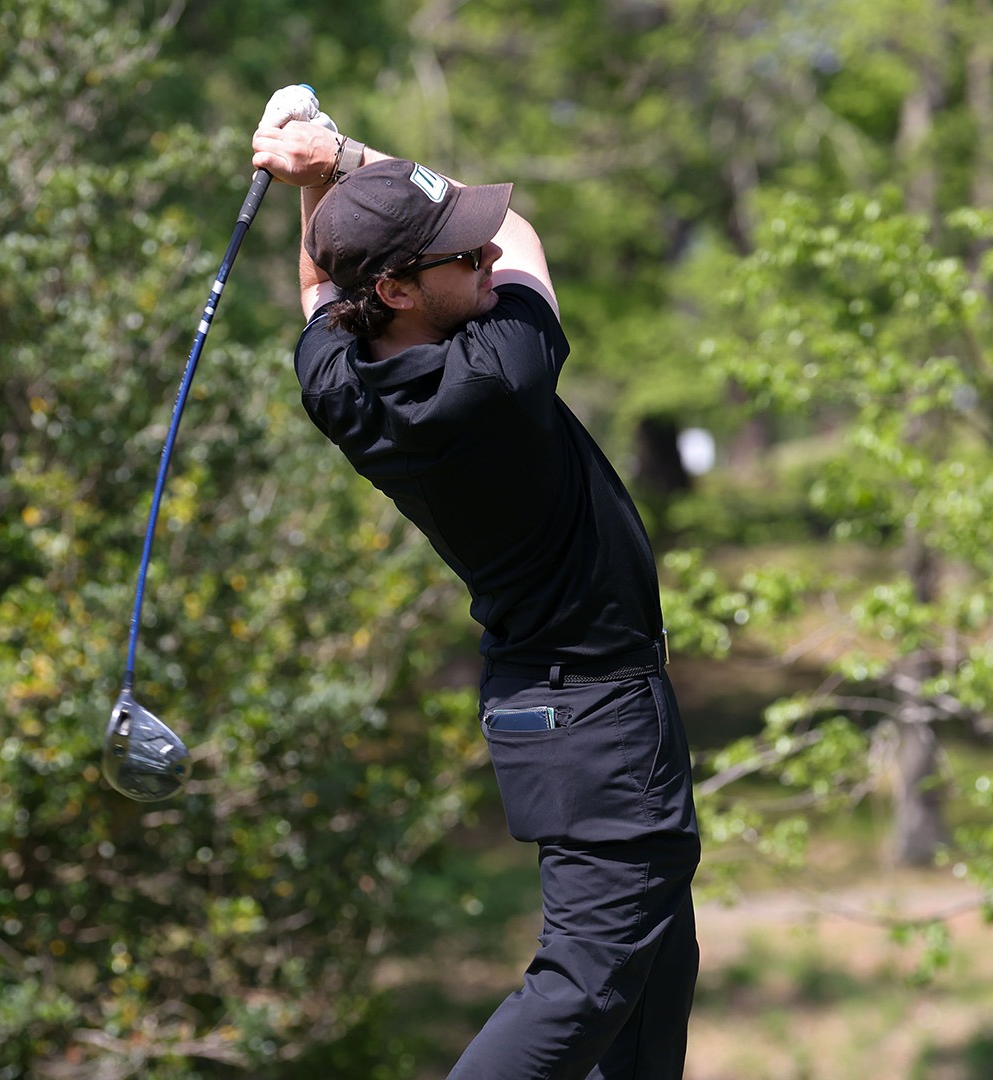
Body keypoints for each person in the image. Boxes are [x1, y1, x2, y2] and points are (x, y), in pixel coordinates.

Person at [251, 88, 700, 1080]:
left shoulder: (339, 384)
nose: (486, 255)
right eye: (460, 255)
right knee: (584, 983)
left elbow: (321, 284)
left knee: (650, 972)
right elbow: (525, 230)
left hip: (540, 706)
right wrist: (343, 150)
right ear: (404, 292)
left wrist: (314, 175)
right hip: (604, 715)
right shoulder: (503, 372)